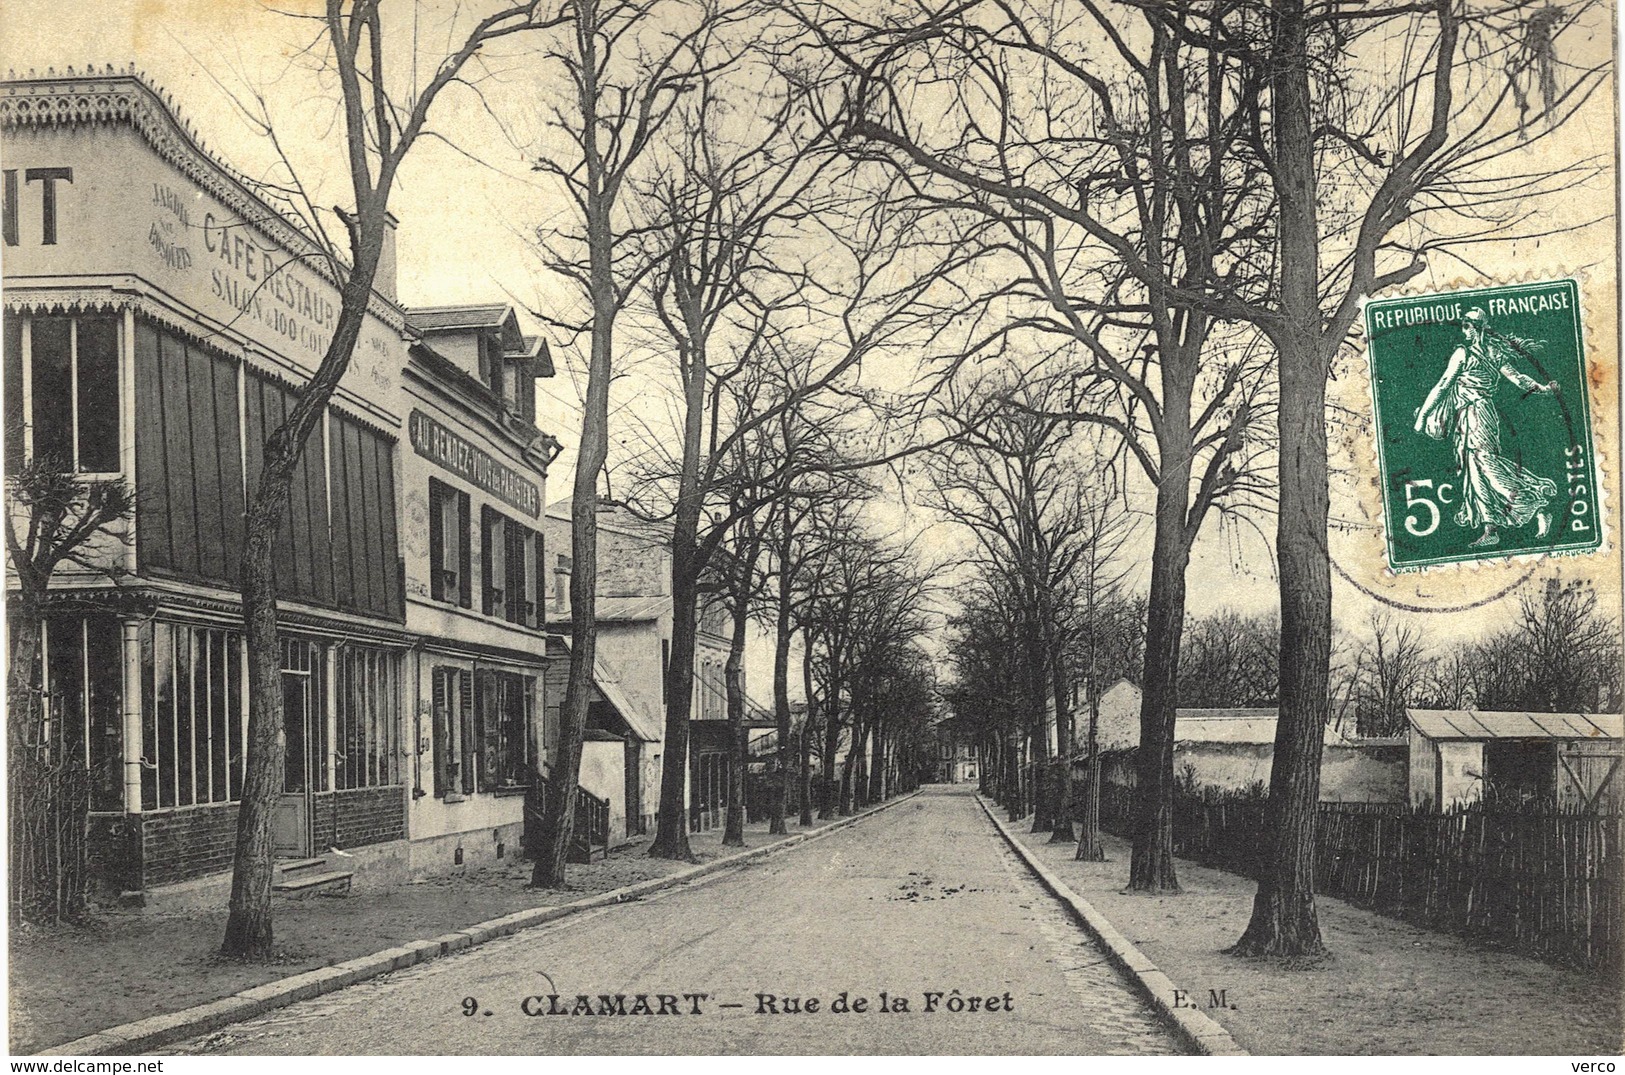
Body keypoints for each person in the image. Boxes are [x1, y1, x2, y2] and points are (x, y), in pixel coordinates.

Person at [1412, 307, 1558, 548]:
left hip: (1476, 415)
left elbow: (1443, 385)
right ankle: (1491, 529)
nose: (1464, 331)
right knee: (1475, 471)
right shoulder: (1493, 352)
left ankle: (1535, 505)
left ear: (1476, 328)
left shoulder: (1464, 353)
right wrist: (1542, 389)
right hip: (1472, 415)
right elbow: (1518, 379)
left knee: (1487, 465)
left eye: (1466, 326)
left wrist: (1423, 416)